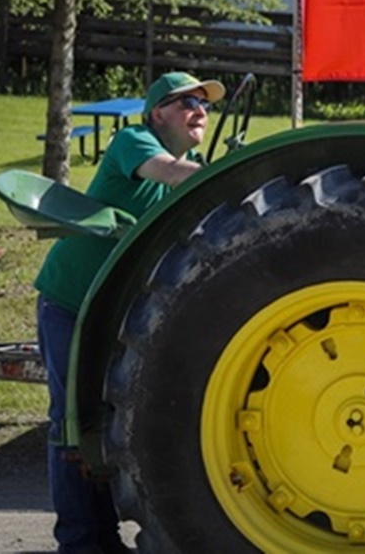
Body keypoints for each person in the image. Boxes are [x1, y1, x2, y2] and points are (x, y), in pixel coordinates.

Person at [33, 72, 225, 553]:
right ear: (158, 112)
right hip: (70, 300)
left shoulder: (192, 160)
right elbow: (169, 172)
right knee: (70, 421)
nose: (200, 111)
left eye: (204, 104)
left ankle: (103, 536)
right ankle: (79, 541)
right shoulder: (134, 141)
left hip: (115, 309)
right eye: (187, 103)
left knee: (103, 419)